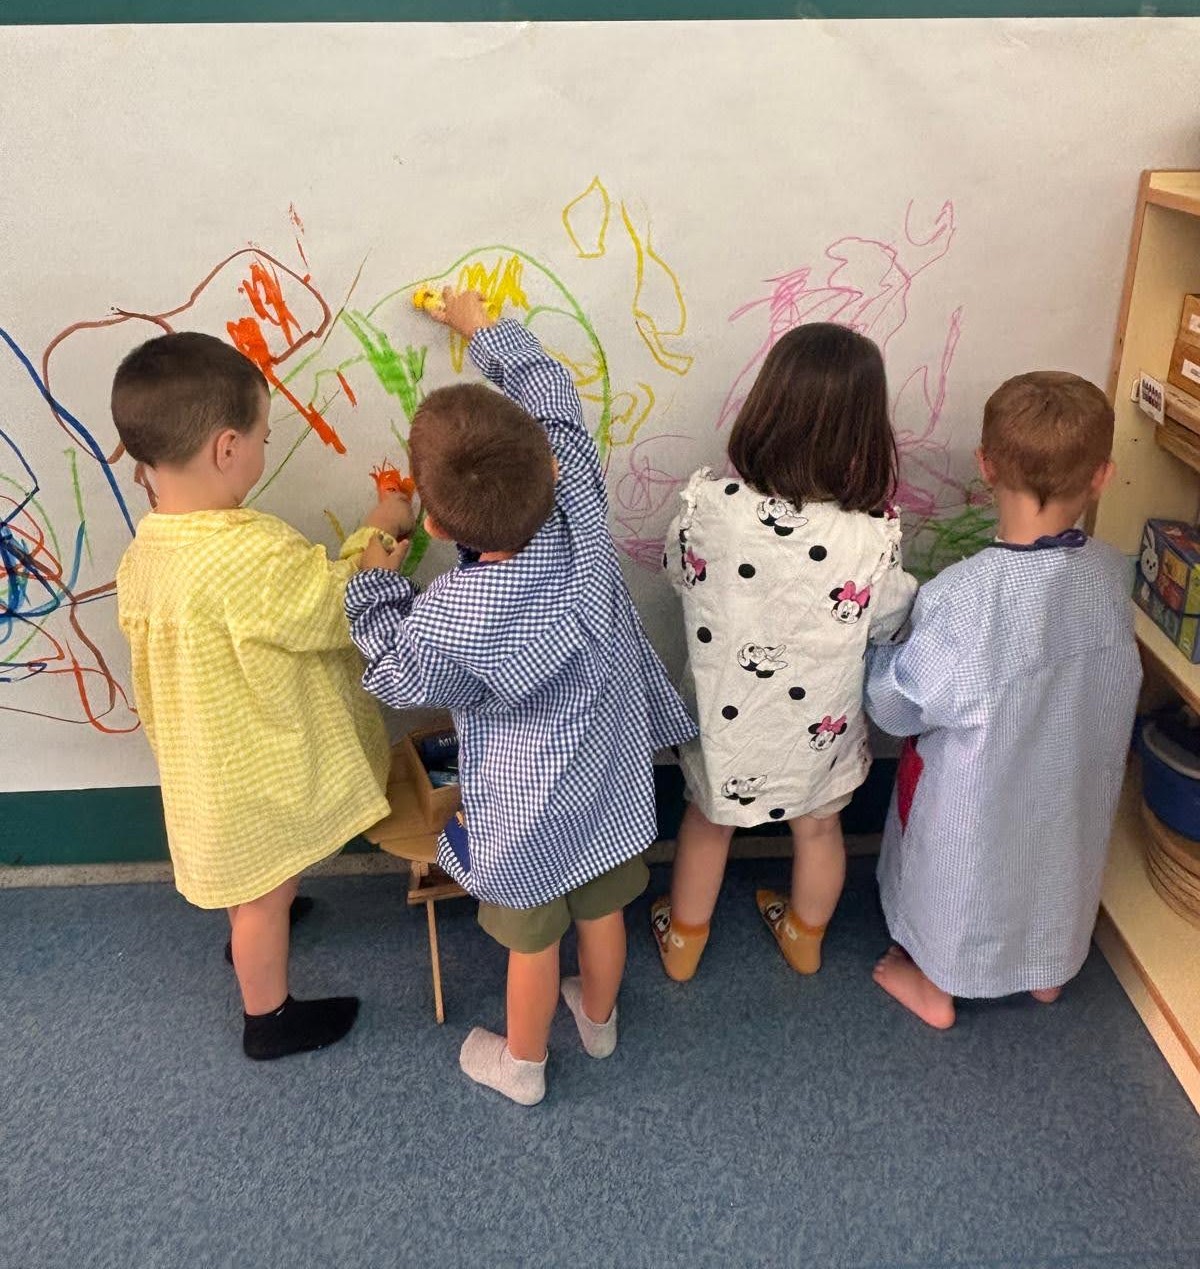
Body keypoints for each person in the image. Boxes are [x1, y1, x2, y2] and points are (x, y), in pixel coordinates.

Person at [346, 289, 695, 1106]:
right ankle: (599, 1021)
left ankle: (524, 1065)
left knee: (532, 945)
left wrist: (374, 579)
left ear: (438, 528)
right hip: (609, 782)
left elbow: (393, 668)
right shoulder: (579, 502)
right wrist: (485, 329)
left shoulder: (452, 616)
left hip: (526, 813)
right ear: (549, 464)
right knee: (603, 914)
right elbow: (555, 397)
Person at [113, 331, 412, 1059]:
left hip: (208, 764)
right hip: (253, 773)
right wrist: (375, 544)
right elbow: (334, 609)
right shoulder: (247, 551)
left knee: (256, 884)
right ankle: (269, 1017)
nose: (263, 450)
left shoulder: (146, 550)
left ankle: (256, 932)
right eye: (264, 438)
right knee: (264, 892)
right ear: (227, 449)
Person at [865, 371, 1141, 1028]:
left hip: (977, 789)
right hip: (1071, 780)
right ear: (1102, 476)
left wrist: (878, 657)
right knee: (1059, 863)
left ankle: (936, 984)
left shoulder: (963, 595)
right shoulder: (1112, 573)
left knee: (958, 867)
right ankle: (1047, 972)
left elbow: (900, 705)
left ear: (985, 465)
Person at [653, 323, 917, 982]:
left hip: (726, 722)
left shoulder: (709, 508)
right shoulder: (871, 536)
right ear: (867, 435)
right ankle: (804, 936)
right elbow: (888, 623)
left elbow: (678, 575)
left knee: (707, 823)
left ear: (766, 410)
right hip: (818, 730)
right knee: (820, 829)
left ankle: (683, 942)